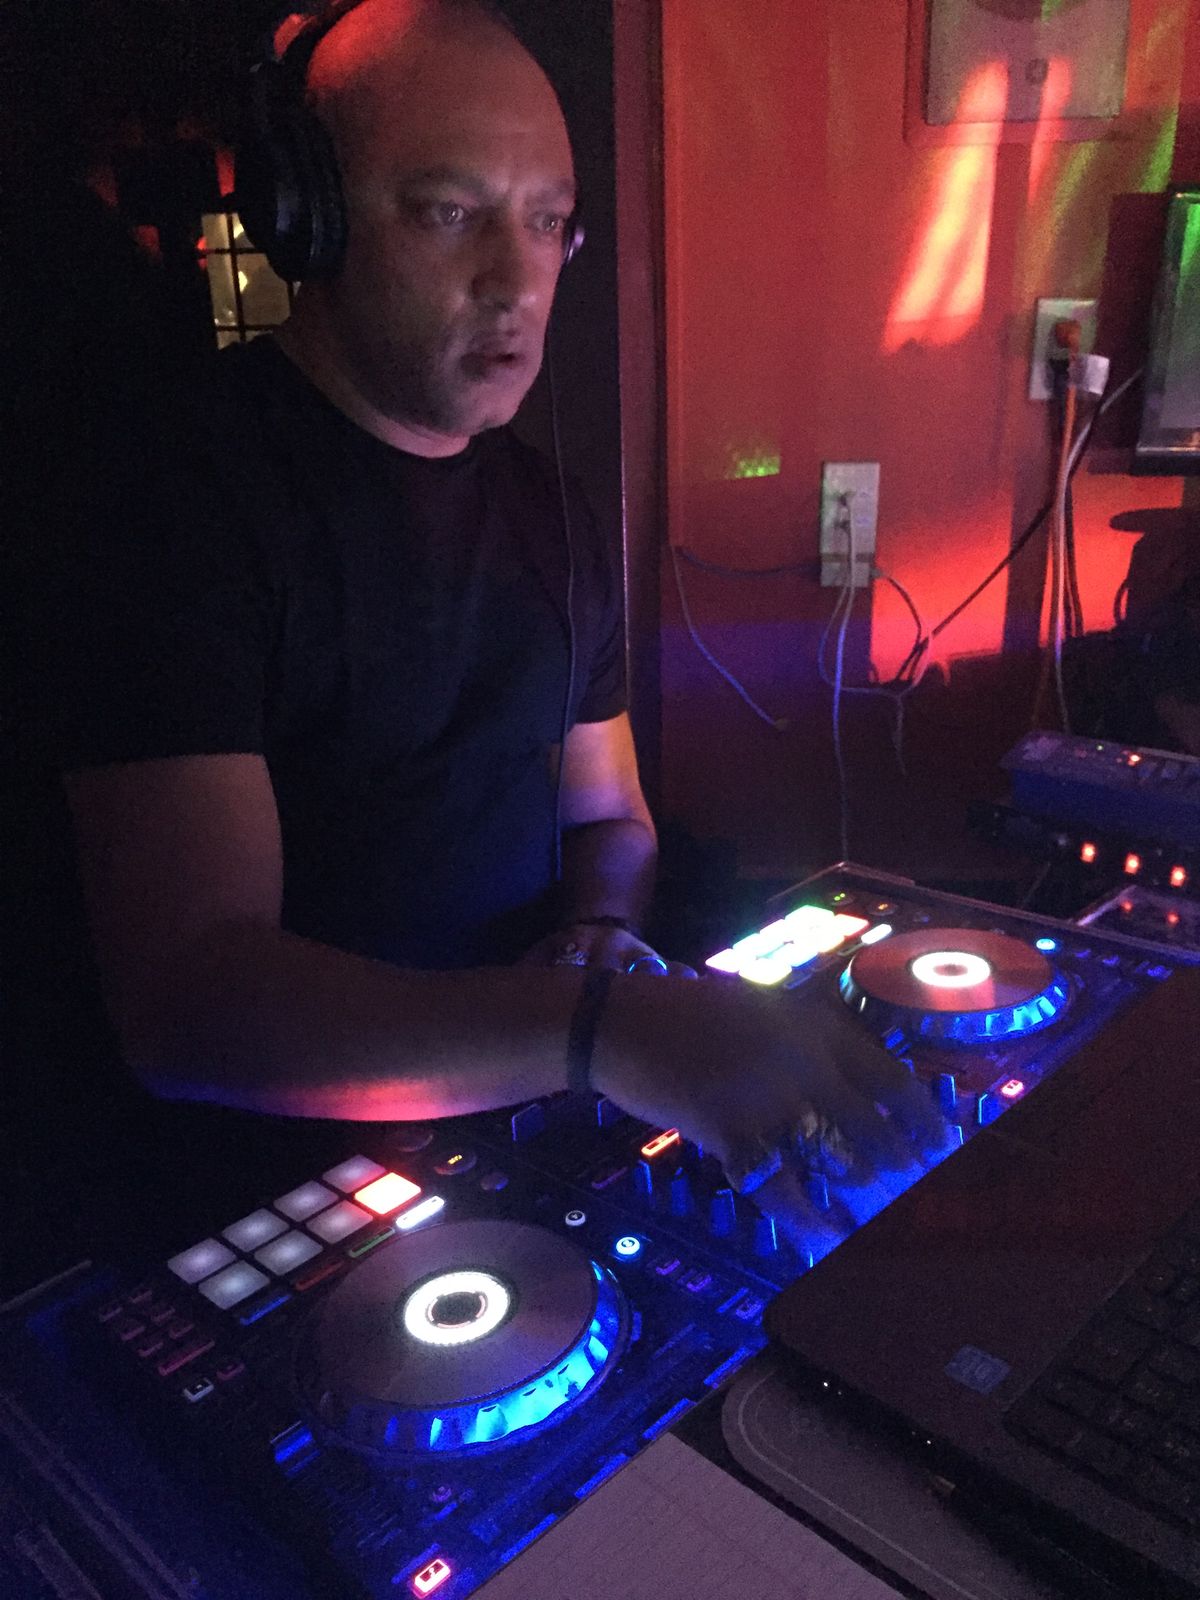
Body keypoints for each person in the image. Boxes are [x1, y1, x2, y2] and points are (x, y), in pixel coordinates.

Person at [29, 0, 940, 1218]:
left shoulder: (555, 514)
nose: (517, 282)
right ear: (306, 220)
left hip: (517, 1123)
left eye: (547, 221)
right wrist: (606, 1028)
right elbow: (192, 1001)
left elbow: (609, 815)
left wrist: (601, 933)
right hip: (269, 1197)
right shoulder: (169, 503)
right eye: (449, 213)